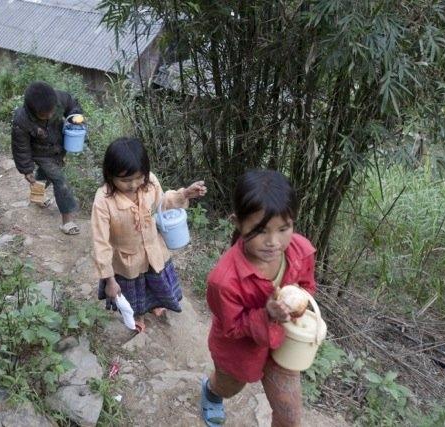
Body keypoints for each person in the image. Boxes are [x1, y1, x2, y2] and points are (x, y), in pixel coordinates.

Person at [200, 169, 317, 427]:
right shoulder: (224, 281)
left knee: (289, 415)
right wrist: (266, 315)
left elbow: (307, 287)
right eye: (261, 230)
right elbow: (232, 327)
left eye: (284, 228)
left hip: (283, 344)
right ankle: (211, 390)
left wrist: (299, 307)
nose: (274, 242)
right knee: (229, 387)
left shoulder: (301, 252)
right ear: (238, 223)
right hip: (239, 350)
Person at [91, 137, 207, 332]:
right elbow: (100, 242)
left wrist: (184, 194)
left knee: (155, 280)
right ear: (110, 175)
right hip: (126, 259)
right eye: (126, 180)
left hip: (153, 249)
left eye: (139, 177)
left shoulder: (150, 181)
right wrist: (110, 280)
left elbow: (162, 203)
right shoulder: (103, 201)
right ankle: (137, 314)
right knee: (133, 290)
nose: (134, 184)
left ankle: (155, 303)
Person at [11, 81, 84, 235]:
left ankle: (37, 196)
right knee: (60, 180)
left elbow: (73, 105)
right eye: (44, 115)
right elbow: (21, 147)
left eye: (51, 112)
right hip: (40, 153)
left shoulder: (59, 98)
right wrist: (26, 169)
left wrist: (75, 117)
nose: (50, 116)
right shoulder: (21, 120)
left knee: (47, 176)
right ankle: (67, 221)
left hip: (59, 147)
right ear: (32, 110)